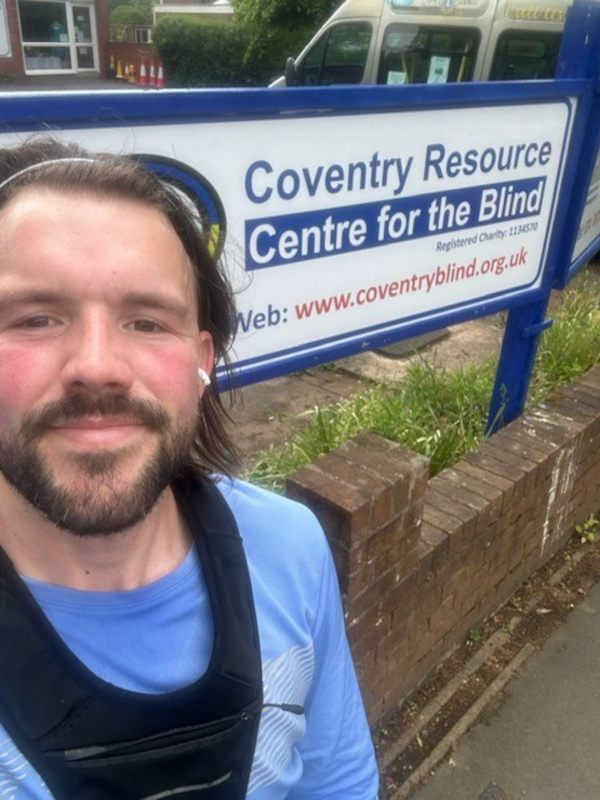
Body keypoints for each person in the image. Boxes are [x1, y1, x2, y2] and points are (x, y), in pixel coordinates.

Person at [0, 137, 379, 799]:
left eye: (146, 322)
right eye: (36, 317)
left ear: (201, 363)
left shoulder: (288, 548)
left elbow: (337, 781)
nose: (98, 366)